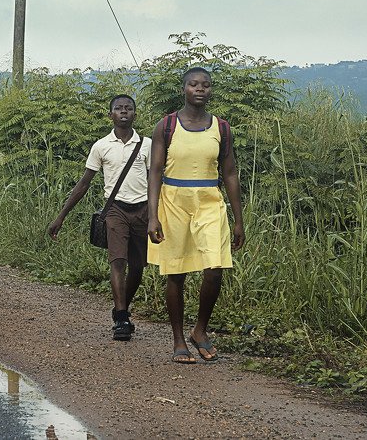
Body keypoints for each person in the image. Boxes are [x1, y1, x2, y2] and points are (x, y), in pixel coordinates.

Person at [147, 67, 245, 363]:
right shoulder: (166, 126)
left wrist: (239, 220)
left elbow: (229, 173)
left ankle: (199, 330)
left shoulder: (221, 128)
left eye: (205, 85)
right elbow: (154, 172)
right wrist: (153, 216)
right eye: (193, 84)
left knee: (214, 268)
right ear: (184, 90)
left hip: (209, 201)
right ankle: (179, 339)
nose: (200, 89)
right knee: (176, 273)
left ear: (210, 90)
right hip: (174, 201)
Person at [47, 94, 152, 341]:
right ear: (110, 115)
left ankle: (120, 309)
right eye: (118, 108)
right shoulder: (101, 146)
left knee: (138, 267)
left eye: (128, 108)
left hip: (143, 210)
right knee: (118, 261)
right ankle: (123, 318)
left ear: (135, 114)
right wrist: (61, 216)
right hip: (114, 210)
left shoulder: (147, 144)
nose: (123, 112)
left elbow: (156, 180)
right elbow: (84, 183)